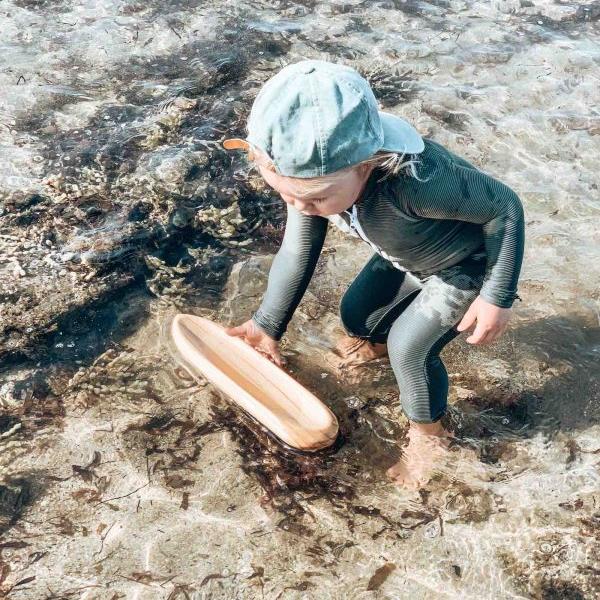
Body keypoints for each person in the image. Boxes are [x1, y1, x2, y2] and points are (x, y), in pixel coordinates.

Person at [222, 60, 525, 489]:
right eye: (287, 194)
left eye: (316, 198)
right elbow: (298, 246)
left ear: (366, 165)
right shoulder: (310, 181)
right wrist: (267, 324)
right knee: (357, 317)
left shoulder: (418, 184)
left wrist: (498, 294)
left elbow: (504, 206)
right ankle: (376, 349)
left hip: (465, 268)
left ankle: (431, 435)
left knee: (409, 349)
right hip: (406, 254)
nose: (302, 207)